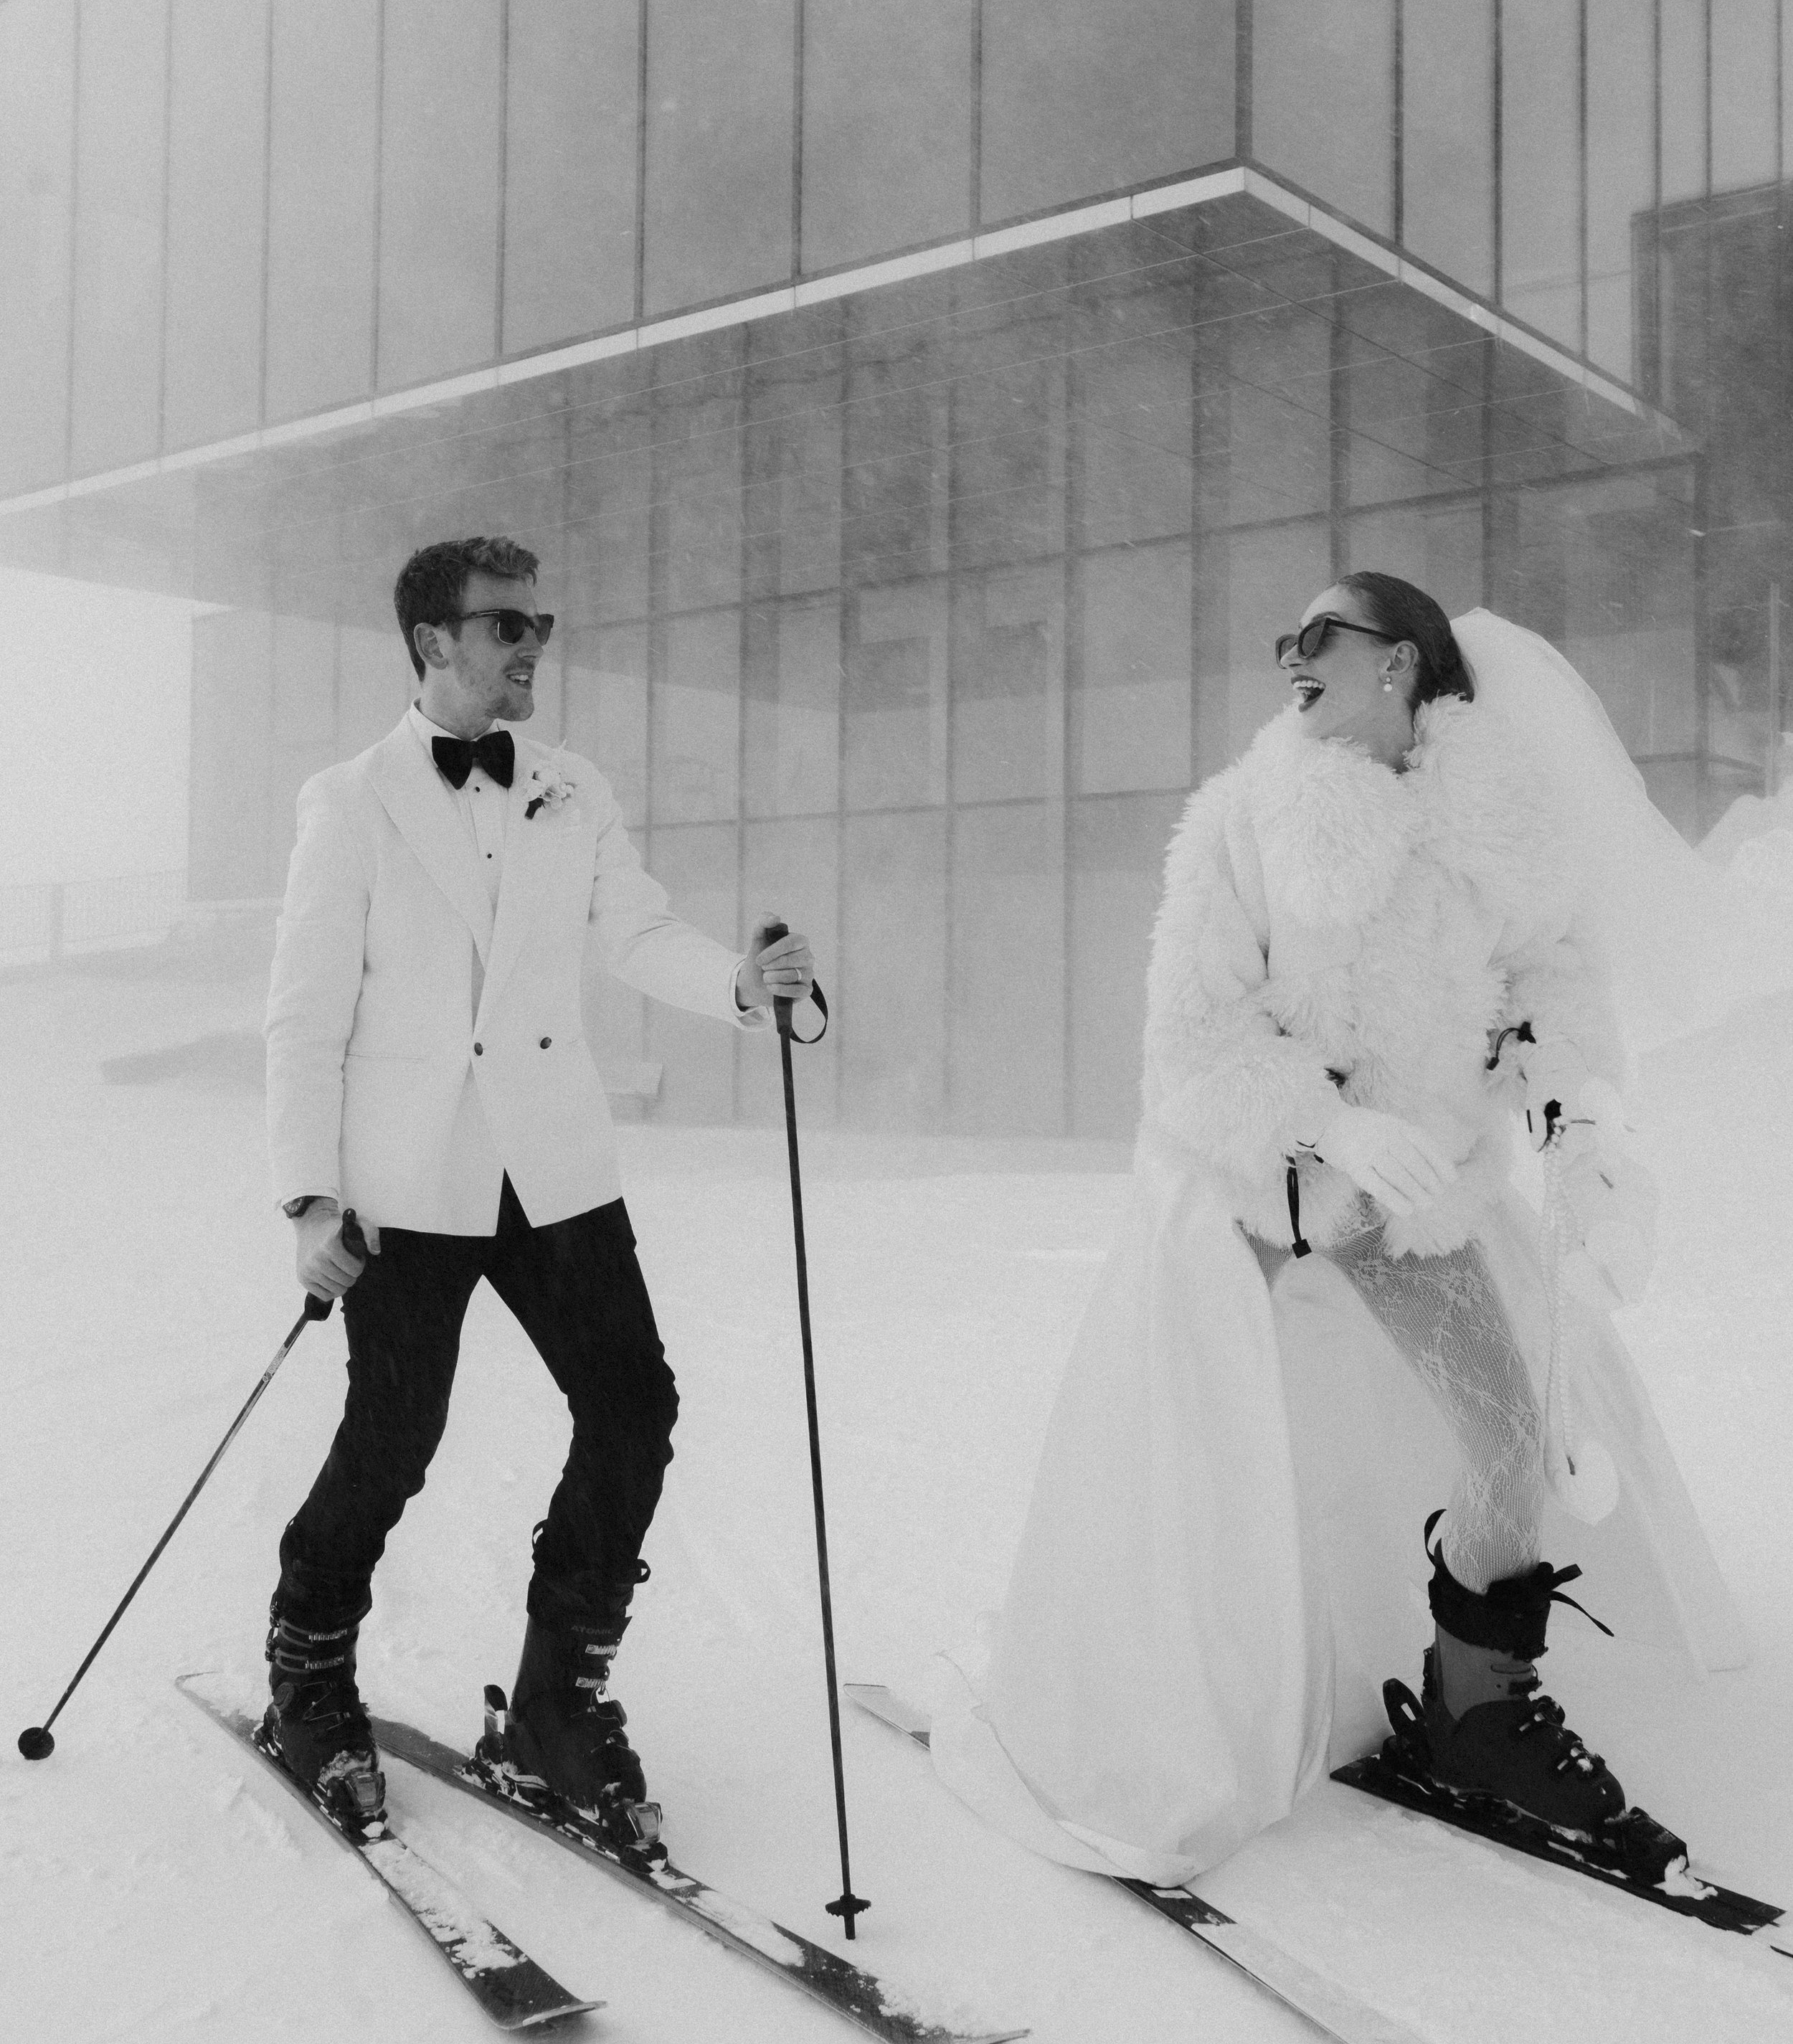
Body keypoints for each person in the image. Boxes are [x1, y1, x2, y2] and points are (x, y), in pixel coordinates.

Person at [930, 572, 1753, 1890]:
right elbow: (1189, 1048)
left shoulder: (1495, 826)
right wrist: (1328, 1126)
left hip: (1410, 1206)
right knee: (1199, 1475)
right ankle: (1139, 1716)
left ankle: (1478, 1710)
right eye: (1285, 643)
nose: (1291, 660)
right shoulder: (1243, 827)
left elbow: (1551, 979)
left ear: (1405, 666)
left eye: (1321, 637)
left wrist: (1582, 1127)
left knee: (1506, 1426)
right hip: (1244, 1198)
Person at [262, 534, 814, 1844]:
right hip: (407, 1177)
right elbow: (302, 1017)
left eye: (541, 623)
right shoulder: (350, 802)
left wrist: (738, 982)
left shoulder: (572, 787)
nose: (533, 648)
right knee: (396, 1435)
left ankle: (559, 1696)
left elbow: (632, 928)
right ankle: (308, 1668)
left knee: (633, 1406)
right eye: (508, 625)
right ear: (432, 645)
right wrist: (309, 1200)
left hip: (551, 1164)